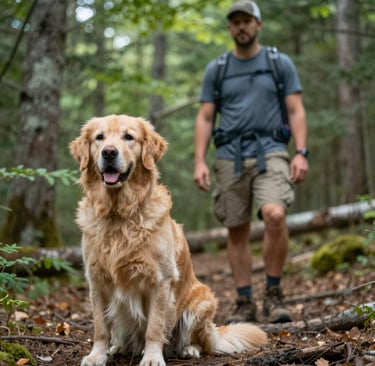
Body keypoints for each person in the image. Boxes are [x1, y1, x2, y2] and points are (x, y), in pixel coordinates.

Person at [193, 0, 308, 324]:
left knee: (275, 213)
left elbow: (296, 109)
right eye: (236, 21)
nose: (241, 26)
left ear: (258, 25)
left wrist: (301, 151)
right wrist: (200, 160)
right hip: (229, 155)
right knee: (237, 229)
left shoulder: (278, 63)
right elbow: (205, 117)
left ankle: (273, 293)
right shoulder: (218, 69)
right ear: (230, 28)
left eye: (247, 20)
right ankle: (245, 300)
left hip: (271, 149)